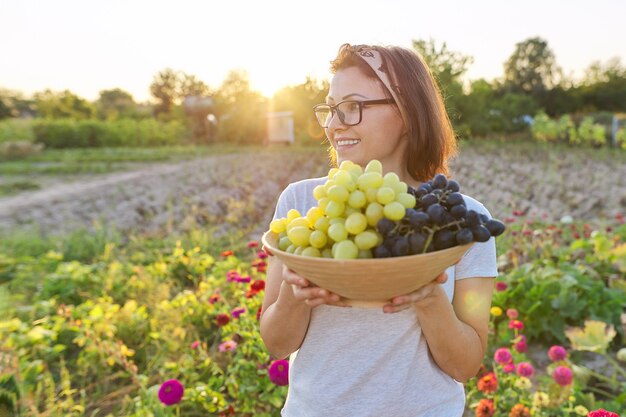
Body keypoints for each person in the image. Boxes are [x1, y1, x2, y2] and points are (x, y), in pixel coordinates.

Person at [260, 43, 497, 417]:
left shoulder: (461, 222)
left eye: (353, 107)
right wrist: (296, 290)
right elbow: (275, 344)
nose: (335, 124)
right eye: (331, 109)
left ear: (406, 113)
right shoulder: (302, 205)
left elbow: (465, 366)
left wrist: (428, 298)